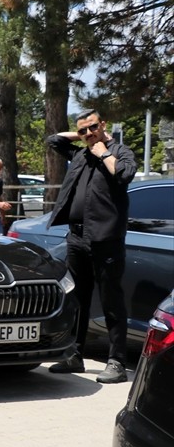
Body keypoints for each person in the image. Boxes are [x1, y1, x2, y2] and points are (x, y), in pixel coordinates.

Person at [45, 109, 136, 384]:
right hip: (77, 238)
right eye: (83, 130)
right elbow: (53, 140)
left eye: (93, 127)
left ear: (103, 125)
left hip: (105, 238)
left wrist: (103, 151)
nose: (88, 134)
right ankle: (74, 355)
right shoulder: (80, 153)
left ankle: (117, 361)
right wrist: (85, 135)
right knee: (78, 299)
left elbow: (124, 175)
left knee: (111, 301)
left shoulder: (120, 151)